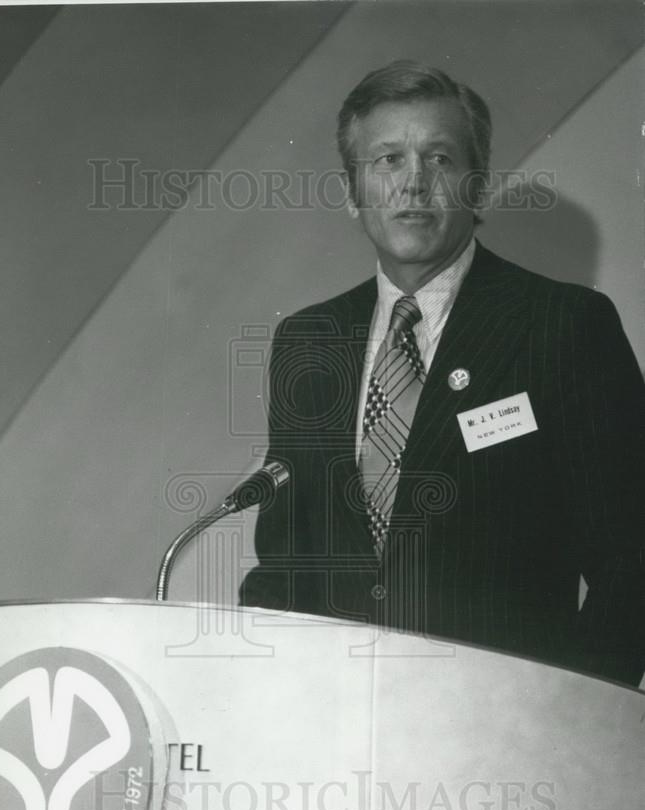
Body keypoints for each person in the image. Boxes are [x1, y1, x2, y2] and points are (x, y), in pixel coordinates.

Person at [239, 61, 645, 687]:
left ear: (477, 186)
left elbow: (632, 564)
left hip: (504, 734)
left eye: (440, 159)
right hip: (333, 727)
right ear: (352, 193)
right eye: (388, 161)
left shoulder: (562, 326)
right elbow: (288, 563)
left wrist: (569, 719)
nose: (414, 186)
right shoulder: (308, 340)